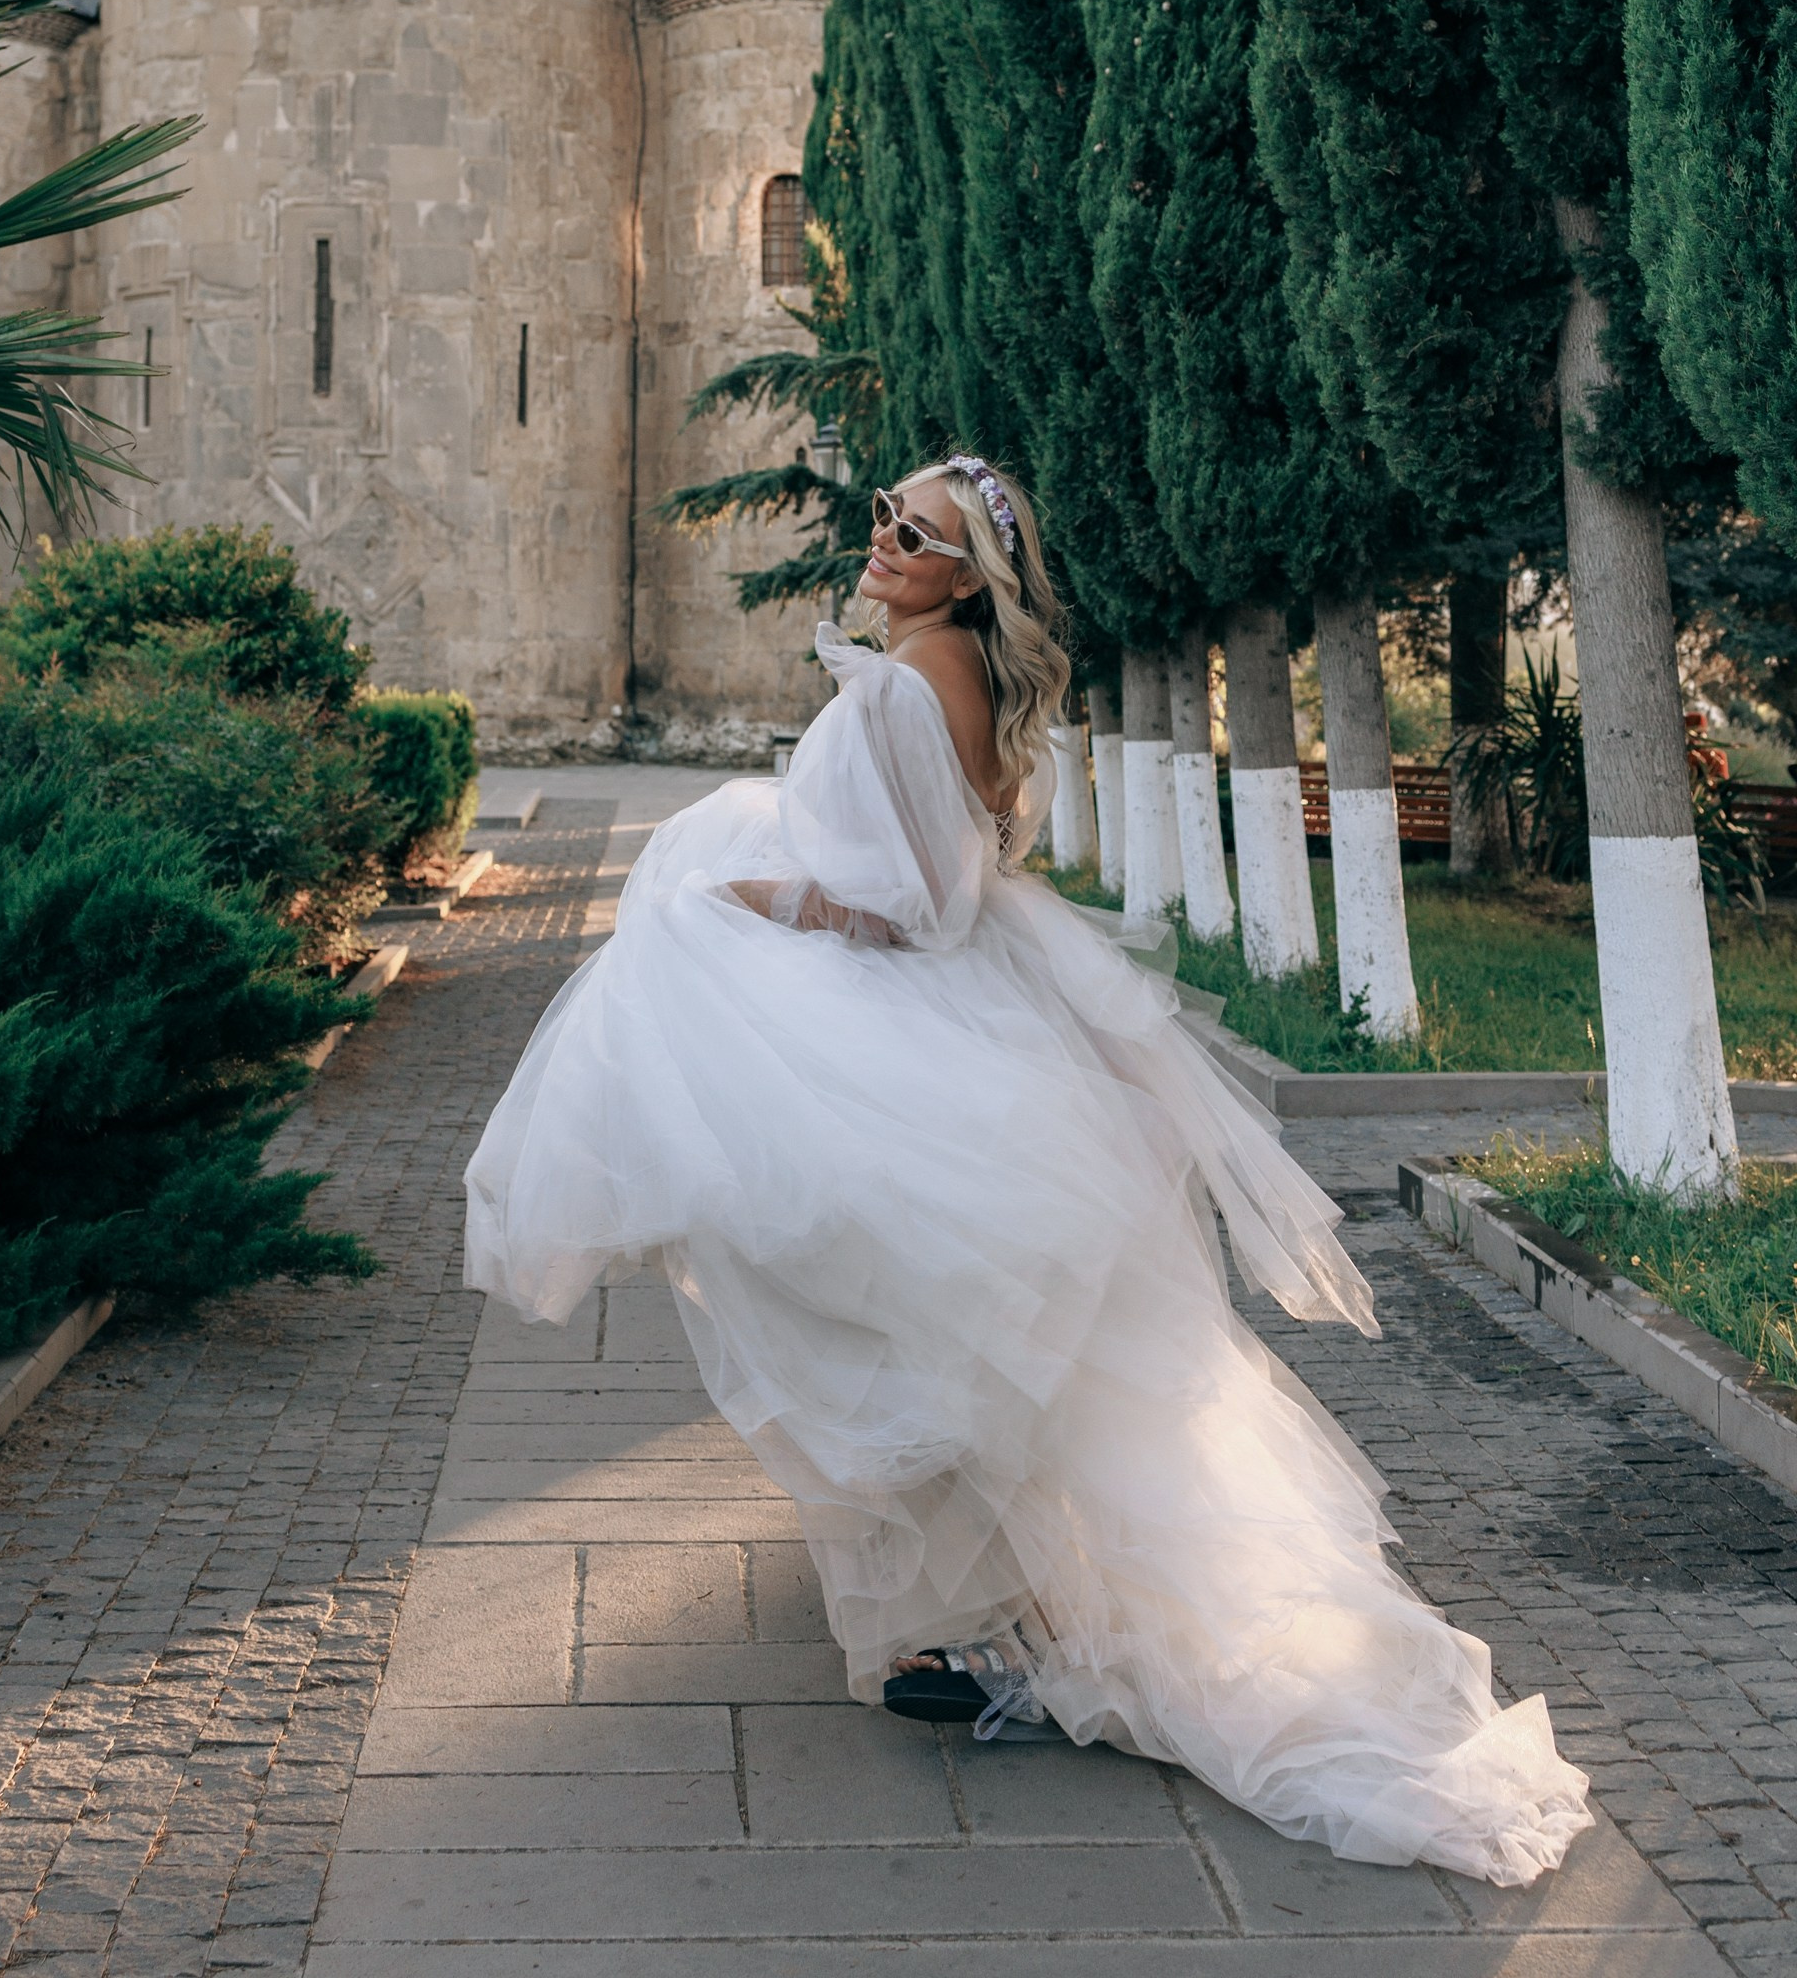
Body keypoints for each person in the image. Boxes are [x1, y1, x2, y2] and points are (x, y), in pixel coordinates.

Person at [463, 455, 1590, 1883]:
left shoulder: (911, 681)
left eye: (912, 534)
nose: (880, 540)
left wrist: (756, 897)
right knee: (951, 1323)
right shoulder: (952, 674)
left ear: (964, 575)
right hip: (975, 1014)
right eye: (882, 516)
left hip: (910, 1007)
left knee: (893, 1313)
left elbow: (919, 905)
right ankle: (989, 1603)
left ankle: (980, 1615)